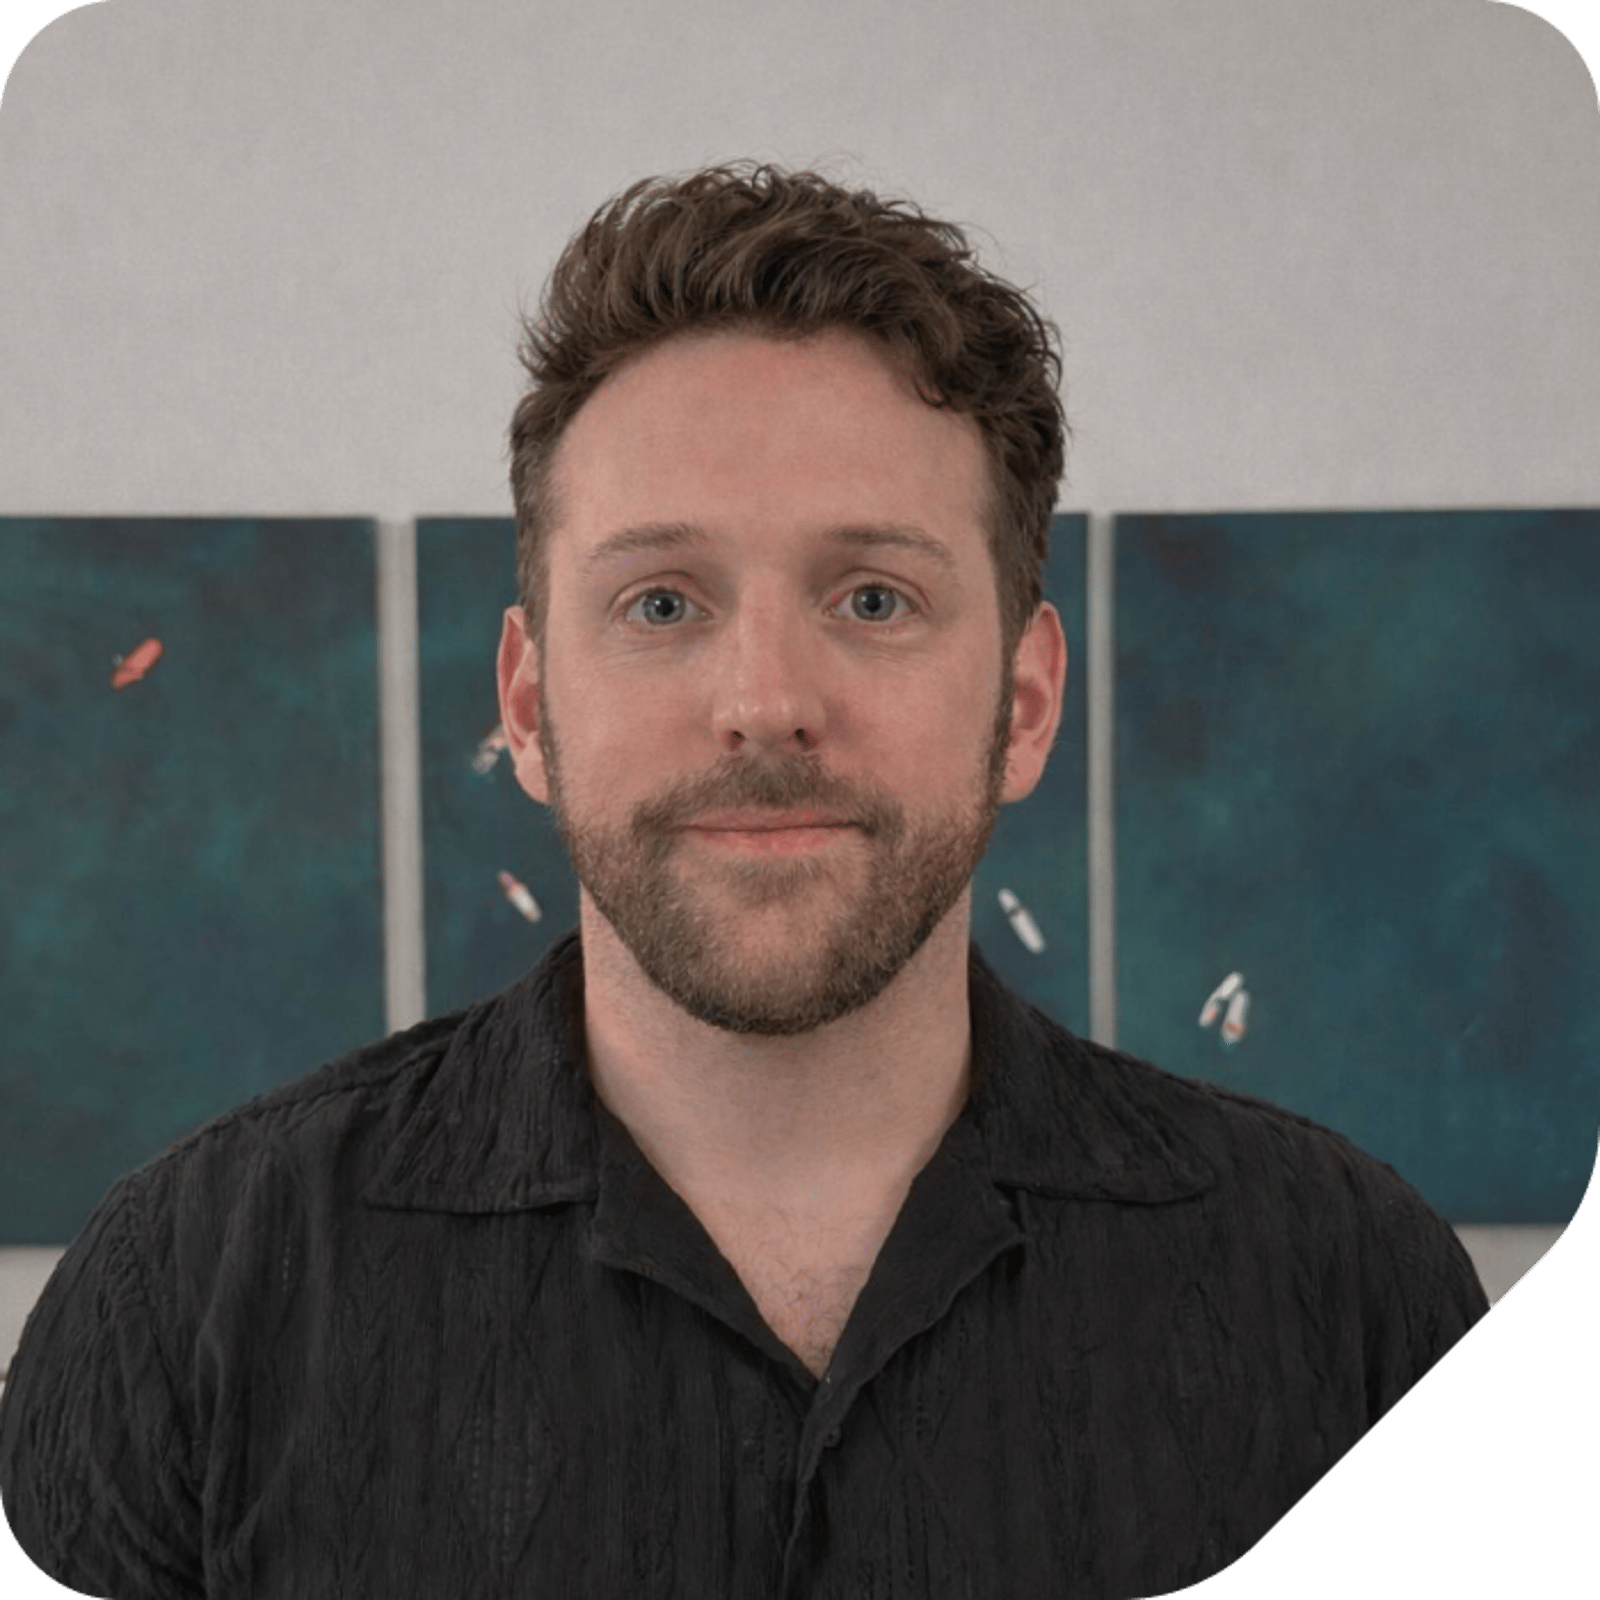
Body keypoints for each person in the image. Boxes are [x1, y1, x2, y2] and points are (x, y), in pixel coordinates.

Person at [0, 163, 1488, 1599]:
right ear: (527, 706)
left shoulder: (1354, 1299)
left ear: (1026, 704)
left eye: (874, 596)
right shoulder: (179, 1301)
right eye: (661, 602)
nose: (766, 703)